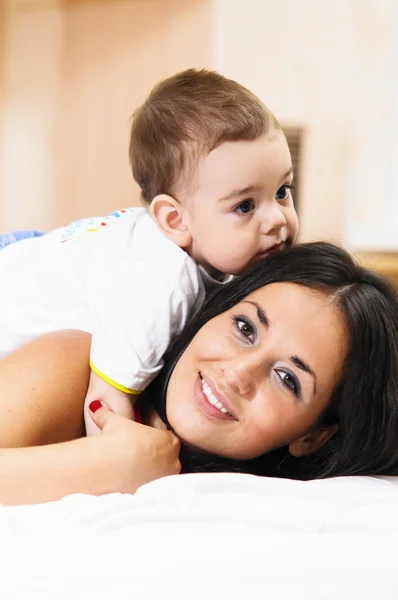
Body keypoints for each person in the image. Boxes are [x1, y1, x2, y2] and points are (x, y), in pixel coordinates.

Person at [0, 68, 298, 438]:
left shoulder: (215, 258)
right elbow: (105, 407)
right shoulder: (158, 283)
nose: (276, 220)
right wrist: (131, 466)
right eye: (244, 206)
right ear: (174, 220)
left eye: (283, 190)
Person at [0, 242, 397, 506]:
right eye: (245, 328)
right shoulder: (84, 359)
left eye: (287, 378)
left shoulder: (271, 511)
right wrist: (104, 465)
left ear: (312, 437)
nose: (239, 373)